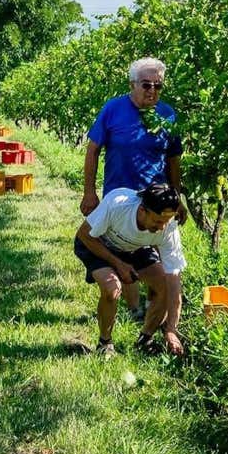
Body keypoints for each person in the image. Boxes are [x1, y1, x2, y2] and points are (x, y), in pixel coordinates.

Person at [82, 57, 185, 326]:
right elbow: (93, 149)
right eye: (146, 84)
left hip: (155, 202)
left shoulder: (167, 115)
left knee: (155, 258)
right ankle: (133, 308)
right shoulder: (113, 109)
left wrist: (177, 197)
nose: (152, 90)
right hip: (120, 201)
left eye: (158, 86)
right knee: (124, 252)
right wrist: (89, 193)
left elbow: (173, 158)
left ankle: (154, 316)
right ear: (132, 84)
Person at [75, 184, 186, 356]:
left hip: (133, 248)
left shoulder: (168, 228)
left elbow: (174, 279)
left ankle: (145, 340)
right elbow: (84, 234)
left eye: (166, 222)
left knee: (163, 284)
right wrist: (118, 264)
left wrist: (171, 329)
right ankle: (105, 344)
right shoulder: (118, 204)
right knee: (112, 290)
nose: (162, 227)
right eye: (157, 221)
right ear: (142, 211)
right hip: (97, 243)